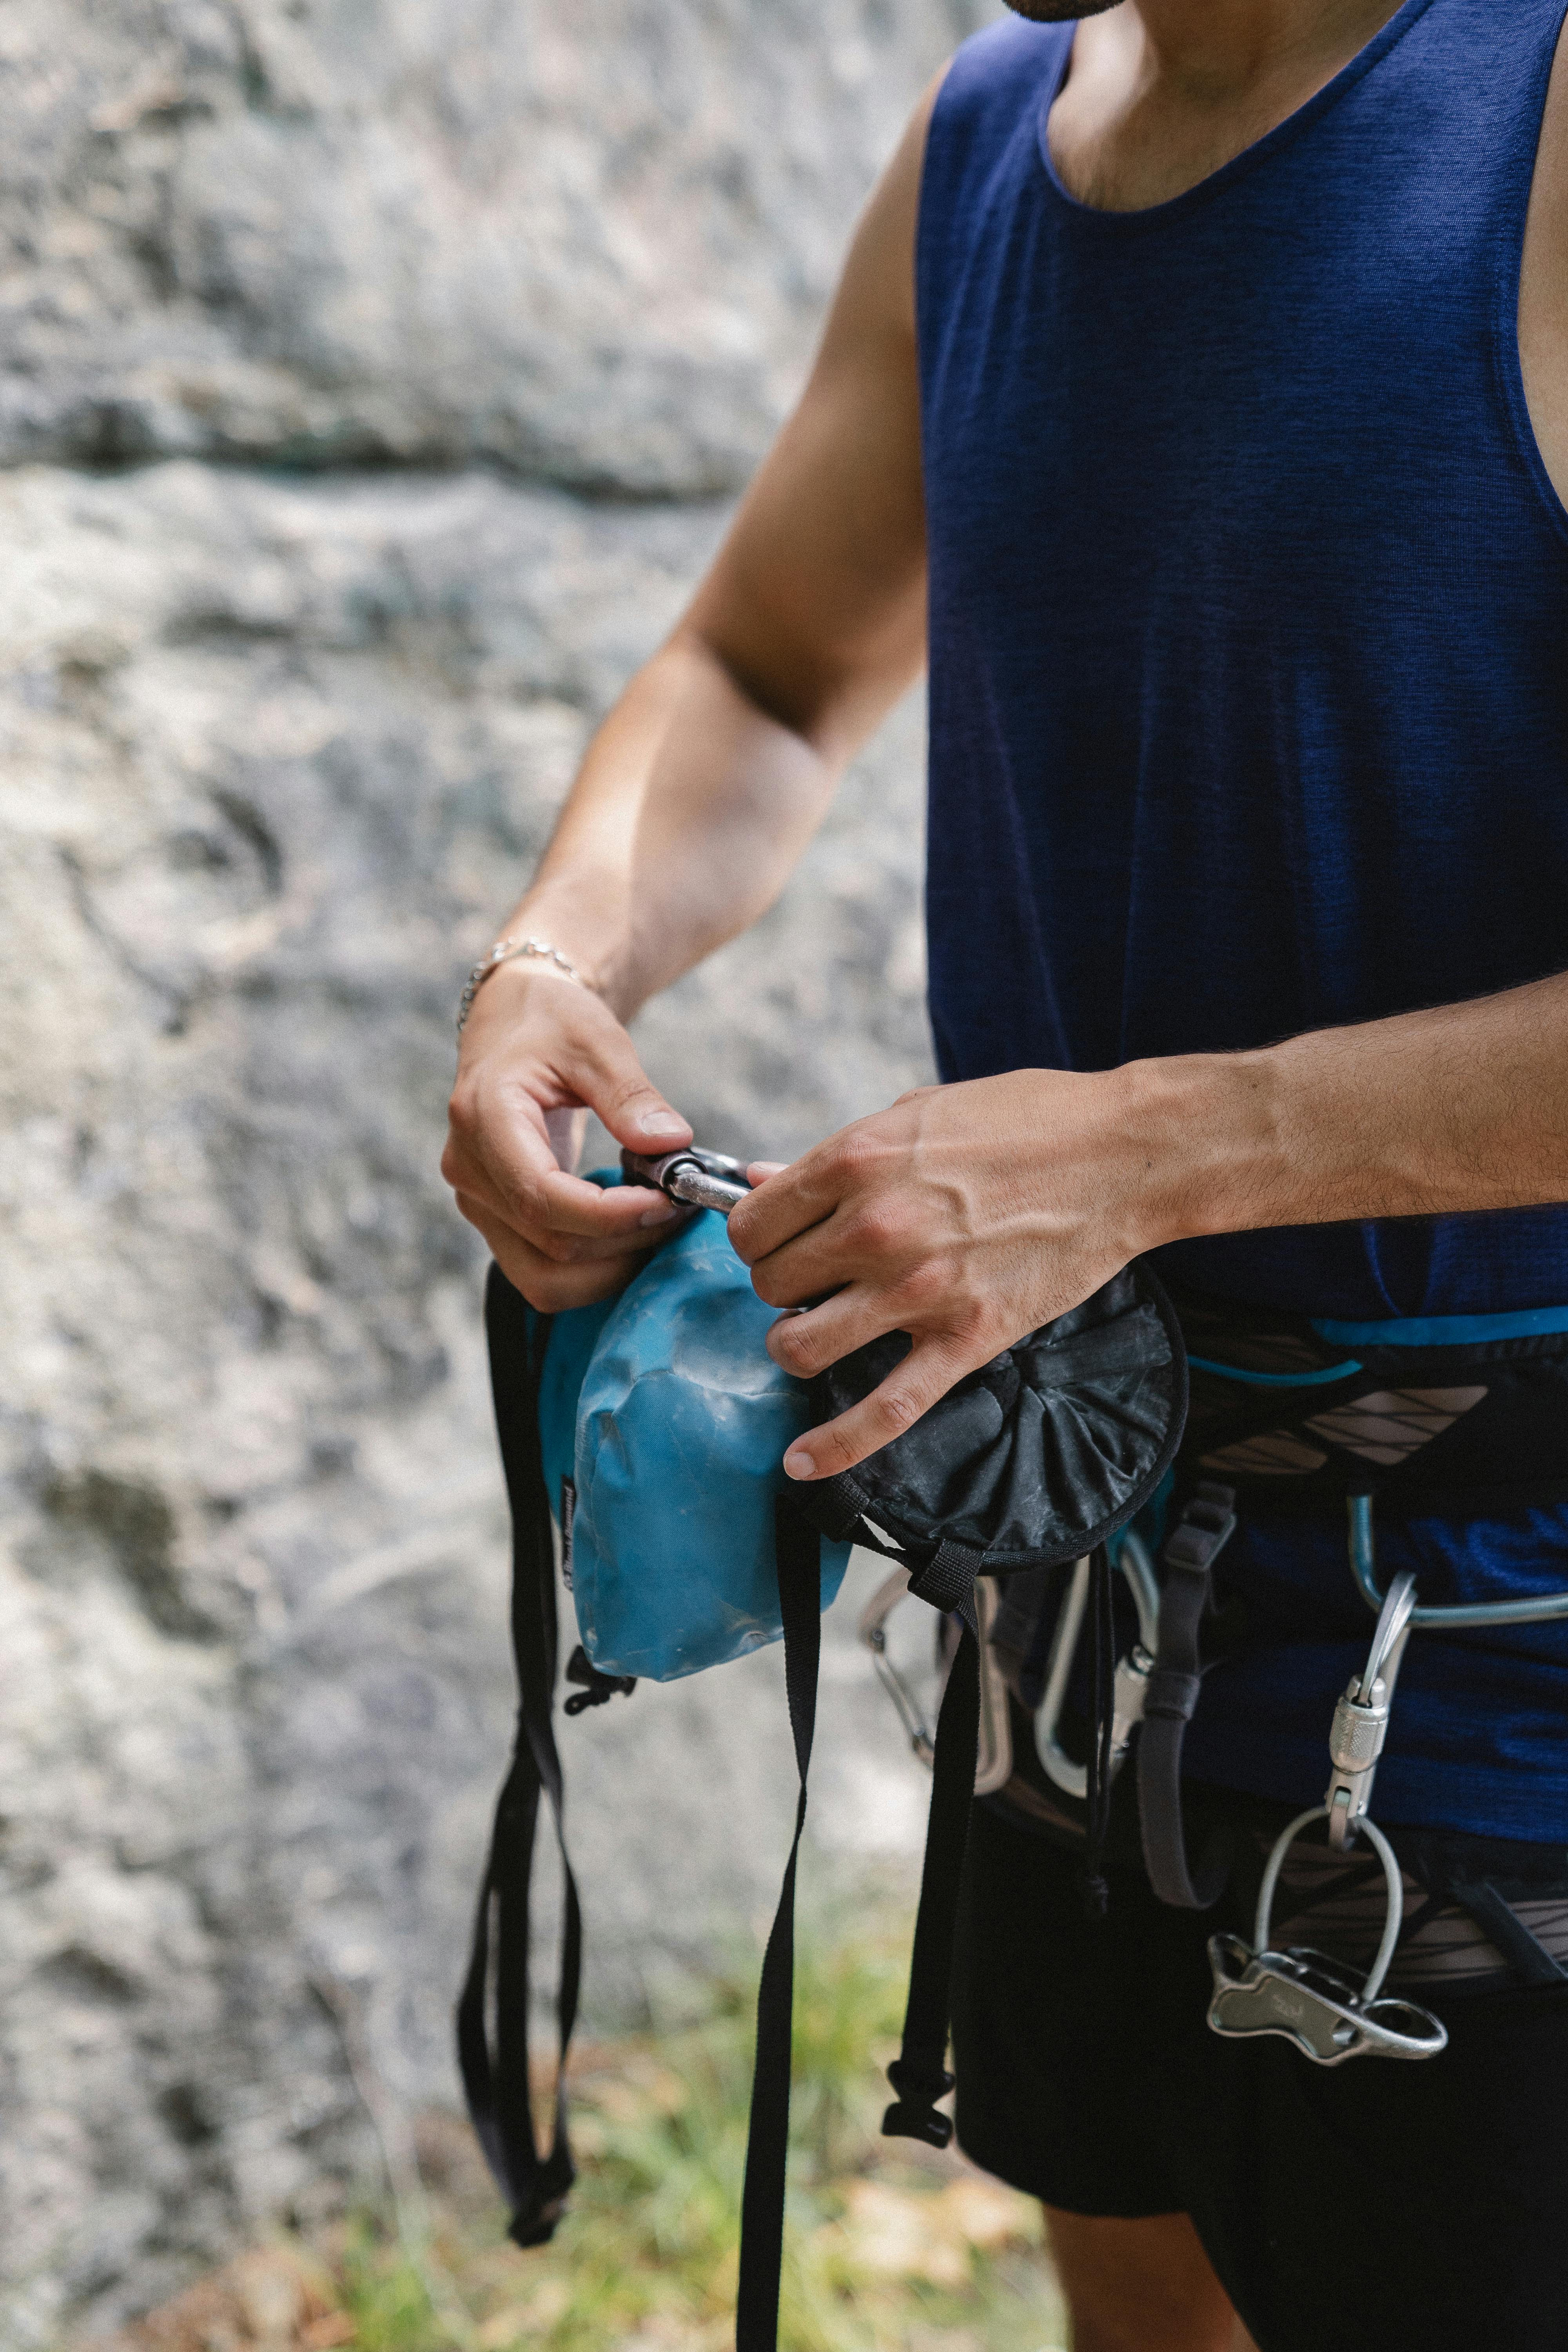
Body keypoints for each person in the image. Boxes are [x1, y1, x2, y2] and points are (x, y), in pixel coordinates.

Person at [442, 2, 1568, 2344]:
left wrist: (1155, 1151)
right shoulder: (982, 146)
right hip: (1064, 1626)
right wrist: (561, 951)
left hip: (1493, 1694)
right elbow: (764, 666)